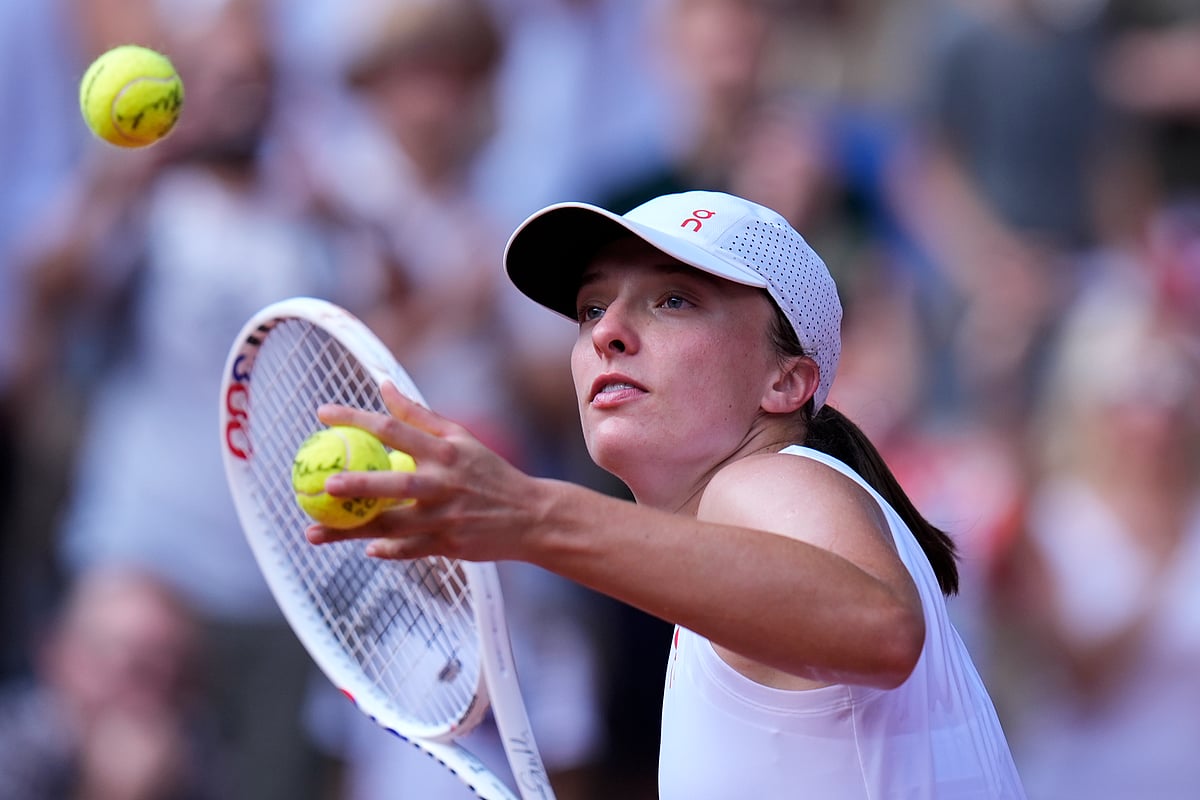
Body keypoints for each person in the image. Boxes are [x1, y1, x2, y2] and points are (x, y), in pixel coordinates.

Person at [303, 190, 1027, 798]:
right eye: (590, 310)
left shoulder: (766, 480)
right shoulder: (748, 552)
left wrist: (529, 514)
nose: (609, 332)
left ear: (787, 382)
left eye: (673, 300)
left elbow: (880, 628)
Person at [0, 565, 223, 799]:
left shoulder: (191, 746)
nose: (138, 696)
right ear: (56, 656)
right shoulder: (12, 746)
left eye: (163, 667)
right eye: (113, 660)